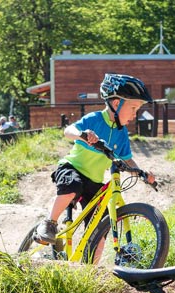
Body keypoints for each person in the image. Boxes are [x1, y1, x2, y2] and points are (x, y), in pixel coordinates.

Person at [34, 73, 157, 245]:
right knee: (72, 186)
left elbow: (128, 161)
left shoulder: (122, 135)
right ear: (116, 103)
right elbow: (68, 131)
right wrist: (82, 135)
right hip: (72, 168)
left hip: (94, 182)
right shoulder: (95, 119)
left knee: (101, 227)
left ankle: (91, 267)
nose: (135, 114)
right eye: (133, 108)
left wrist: (142, 174)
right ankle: (50, 223)